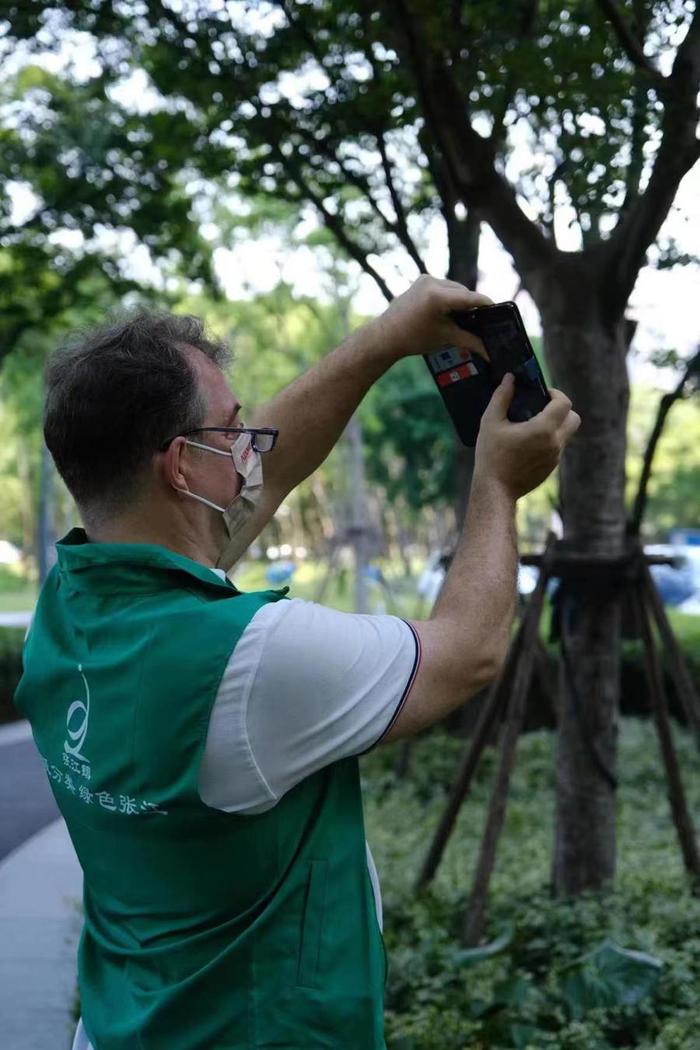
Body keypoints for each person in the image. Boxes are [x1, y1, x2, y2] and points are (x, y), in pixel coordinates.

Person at [14, 276, 580, 1050]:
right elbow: (467, 654)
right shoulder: (249, 659)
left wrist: (388, 338)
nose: (252, 445)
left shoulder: (68, 608)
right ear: (181, 466)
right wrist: (497, 485)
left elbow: (268, 474)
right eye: (233, 430)